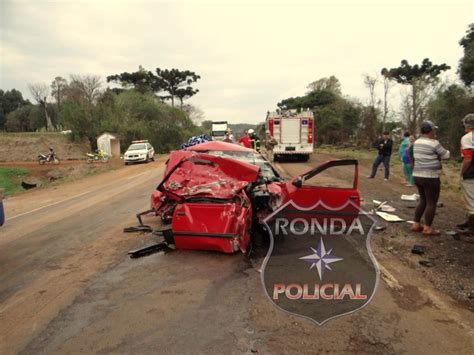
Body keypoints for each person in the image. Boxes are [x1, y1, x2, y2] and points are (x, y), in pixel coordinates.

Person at [411, 120, 450, 236]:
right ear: (431, 130)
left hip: (417, 175)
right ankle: (427, 228)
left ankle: (416, 224)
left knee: (423, 200)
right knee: (431, 202)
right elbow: (446, 155)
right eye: (434, 130)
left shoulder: (417, 142)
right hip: (431, 176)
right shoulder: (434, 143)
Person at [457, 113, 474, 233]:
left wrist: (462, 173)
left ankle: (472, 231)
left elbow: (468, 158)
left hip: (471, 173)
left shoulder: (467, 138)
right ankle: (469, 223)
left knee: (471, 202)